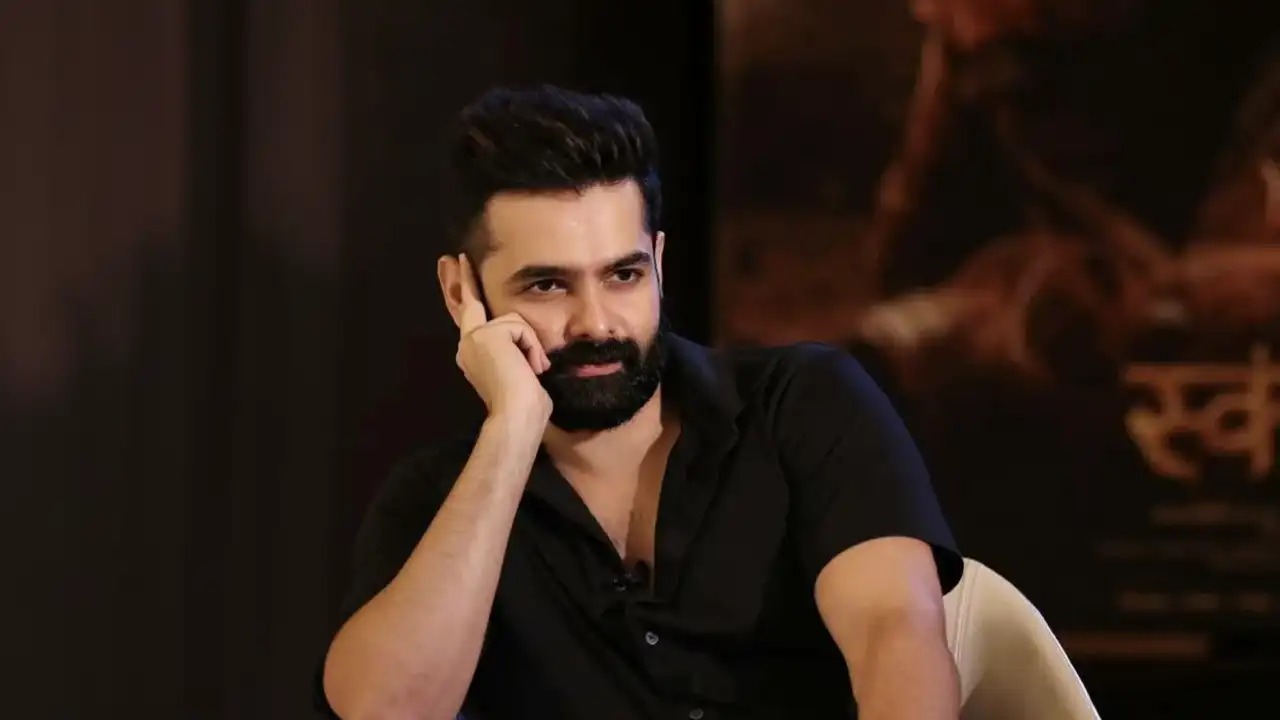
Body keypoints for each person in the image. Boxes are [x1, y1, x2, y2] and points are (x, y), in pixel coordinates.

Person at [317, 85, 963, 720]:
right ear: (463, 294)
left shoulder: (805, 402)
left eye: (623, 275)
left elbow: (896, 638)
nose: (596, 323)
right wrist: (512, 430)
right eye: (547, 286)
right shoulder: (435, 501)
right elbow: (386, 711)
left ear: (658, 260)